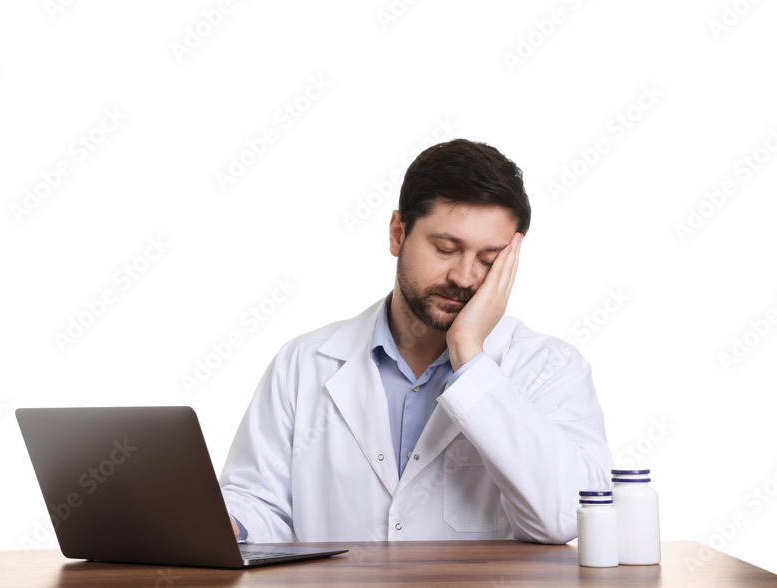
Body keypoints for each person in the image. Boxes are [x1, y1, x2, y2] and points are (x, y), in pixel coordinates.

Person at [220, 139, 612, 544]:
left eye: (488, 259)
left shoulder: (548, 367)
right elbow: (259, 503)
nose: (464, 277)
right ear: (398, 234)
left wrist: (471, 358)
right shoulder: (303, 364)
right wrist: (229, 524)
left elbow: (565, 516)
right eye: (446, 248)